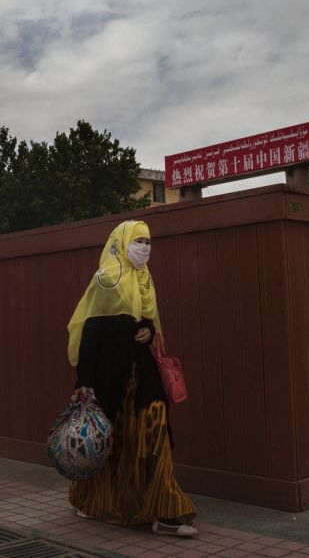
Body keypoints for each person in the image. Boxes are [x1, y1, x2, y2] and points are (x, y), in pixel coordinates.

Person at [66, 219, 197, 537]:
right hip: (110, 376)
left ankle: (166, 510)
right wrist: (83, 381)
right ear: (121, 242)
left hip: (142, 374)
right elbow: (91, 332)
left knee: (156, 433)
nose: (145, 247)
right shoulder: (106, 278)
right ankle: (90, 498)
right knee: (109, 442)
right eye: (139, 241)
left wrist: (147, 331)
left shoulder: (144, 280)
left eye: (149, 241)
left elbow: (148, 323)